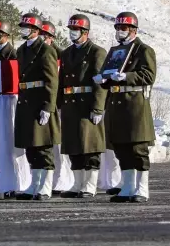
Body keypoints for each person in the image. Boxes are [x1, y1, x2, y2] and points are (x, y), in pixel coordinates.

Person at [95, 12, 156, 204]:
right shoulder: (115, 51)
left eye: (124, 28)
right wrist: (102, 80)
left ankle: (142, 188)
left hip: (134, 104)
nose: (120, 31)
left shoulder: (144, 50)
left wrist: (127, 77)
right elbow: (107, 74)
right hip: (116, 103)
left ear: (134, 30)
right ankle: (128, 187)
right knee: (121, 148)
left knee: (138, 148)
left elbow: (149, 75)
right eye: (117, 28)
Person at [58, 14, 107, 199]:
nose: (72, 33)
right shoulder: (66, 53)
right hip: (71, 104)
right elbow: (62, 81)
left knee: (90, 147)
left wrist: (97, 108)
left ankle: (90, 185)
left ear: (85, 32)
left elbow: (99, 82)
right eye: (70, 30)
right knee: (74, 146)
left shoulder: (96, 52)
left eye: (76, 30)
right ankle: (77, 183)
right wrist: (60, 103)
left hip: (87, 104)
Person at [14, 14, 60, 201]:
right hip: (26, 100)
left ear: (36, 30)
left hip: (40, 101)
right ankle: (34, 184)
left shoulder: (46, 51)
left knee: (43, 147)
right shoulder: (21, 50)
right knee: (31, 146)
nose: (24, 29)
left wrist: (48, 106)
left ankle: (45, 186)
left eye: (27, 27)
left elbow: (51, 81)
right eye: (23, 26)